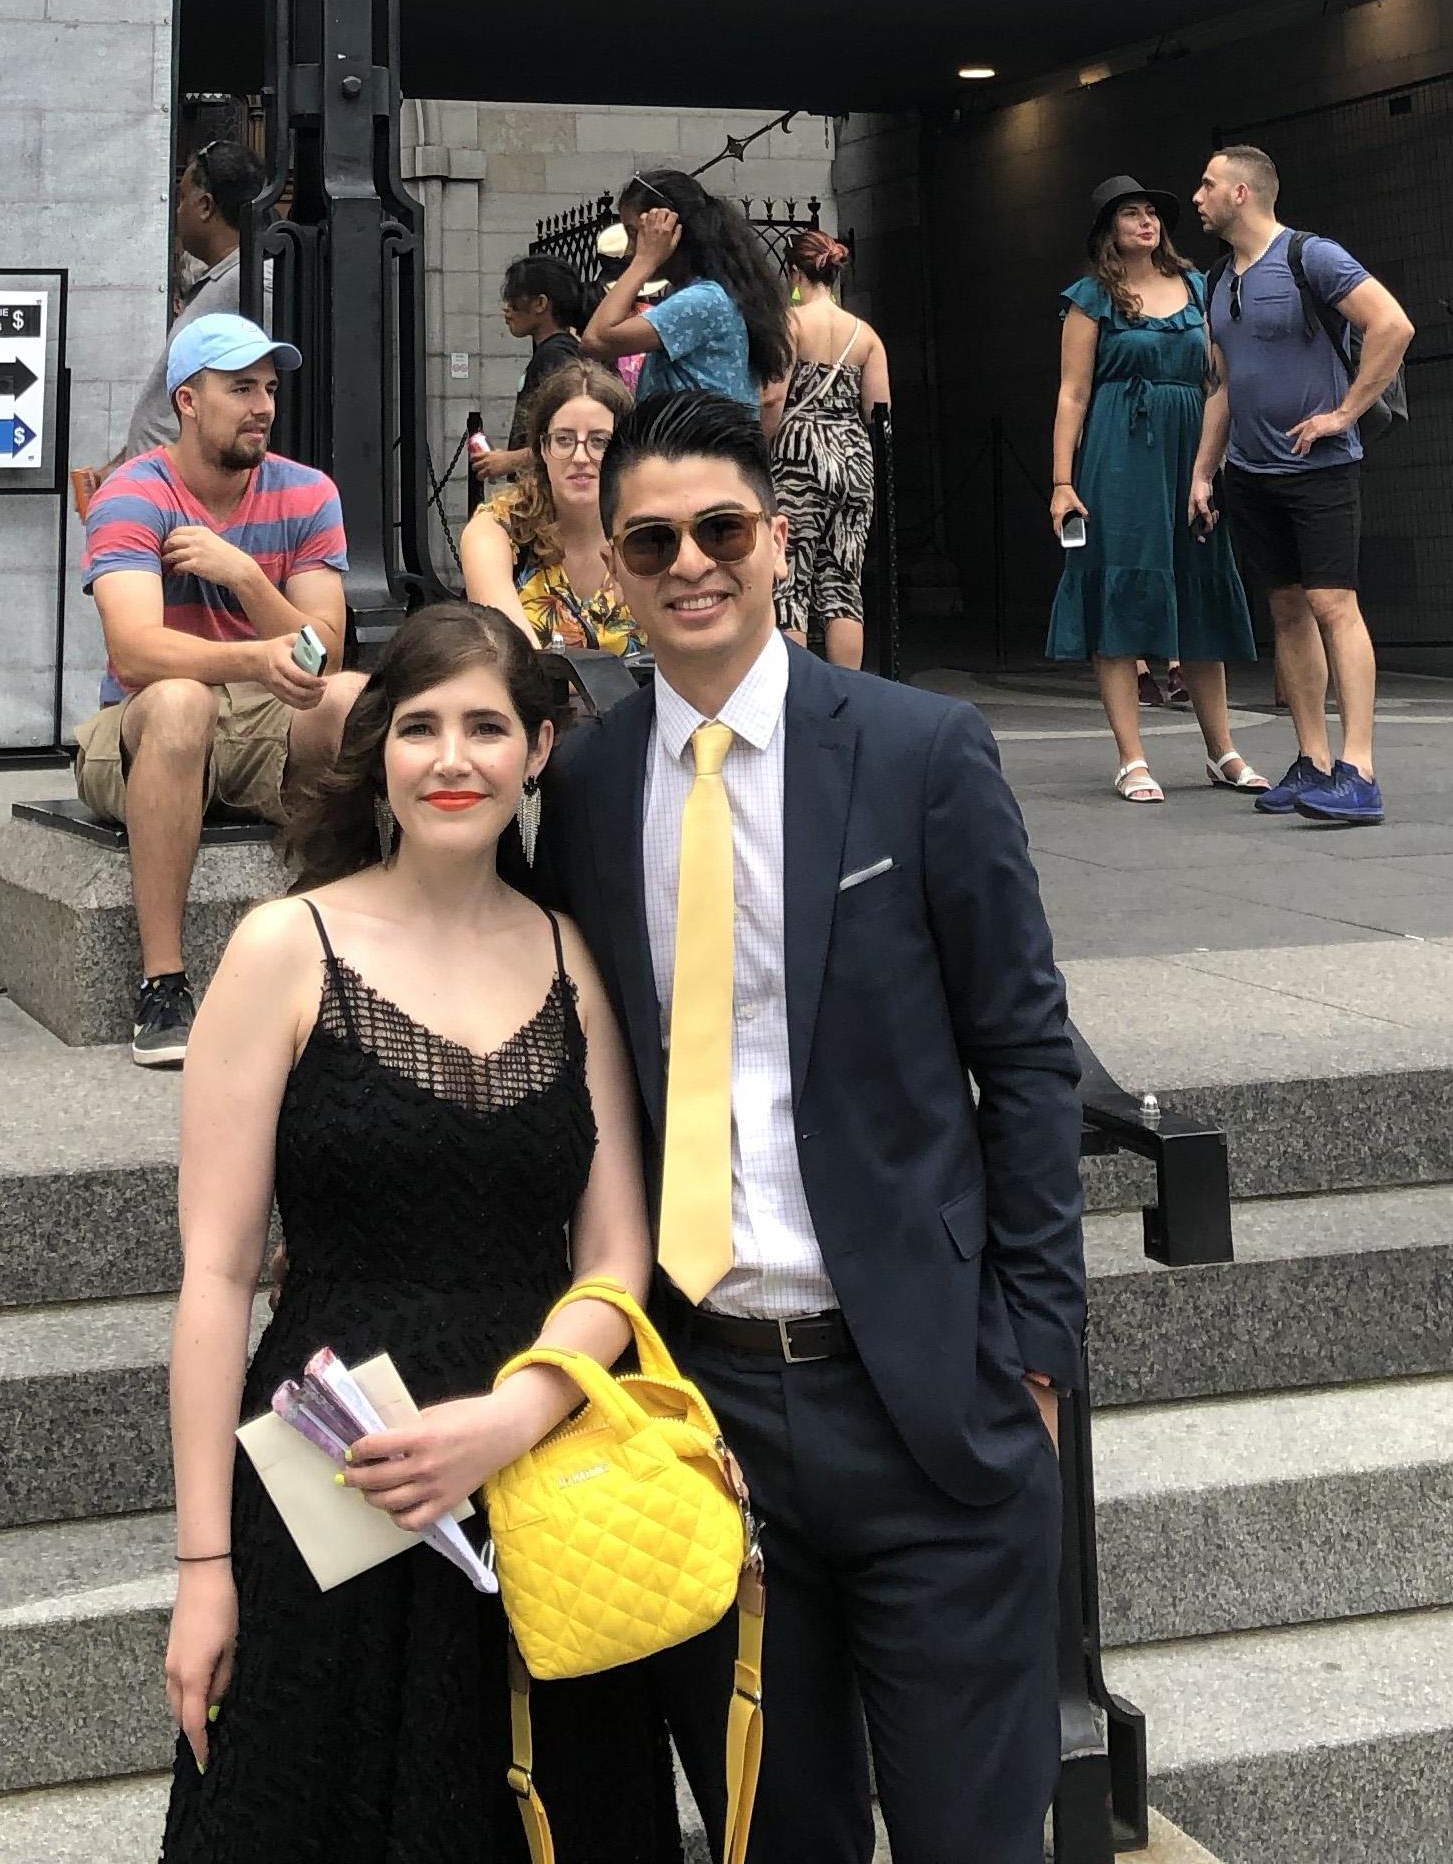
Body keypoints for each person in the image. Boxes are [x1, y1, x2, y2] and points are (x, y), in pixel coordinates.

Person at [534, 385, 1083, 1864]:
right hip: (708, 1411)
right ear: (613, 563)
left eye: (720, 528)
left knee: (976, 1838)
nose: (688, 563)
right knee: (778, 1839)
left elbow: (1028, 1060)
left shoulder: (921, 751)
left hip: (921, 1400)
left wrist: (1034, 1350)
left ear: (780, 539)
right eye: (651, 541)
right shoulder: (586, 785)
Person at [158, 599, 677, 1863]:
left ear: (538, 751)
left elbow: (617, 1255)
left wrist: (514, 1416)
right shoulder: (285, 949)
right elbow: (218, 1276)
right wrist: (202, 1565)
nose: (454, 760)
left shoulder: (571, 956)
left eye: (488, 728)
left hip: (539, 1486)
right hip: (330, 1475)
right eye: (423, 726)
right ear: (378, 748)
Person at [78, 316, 359, 1064]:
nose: (262, 404)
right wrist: (257, 659)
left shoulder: (306, 493)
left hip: (263, 719)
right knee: (180, 702)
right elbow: (135, 653)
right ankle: (163, 986)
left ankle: (365, 955)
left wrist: (240, 574)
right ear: (189, 400)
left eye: (269, 387)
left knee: (358, 703)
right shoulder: (135, 494)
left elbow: (320, 653)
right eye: (240, 388)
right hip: (144, 728)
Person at [1186, 144, 1416, 826]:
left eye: (1207, 184)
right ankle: (1313, 760)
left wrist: (1344, 413)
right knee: (1286, 609)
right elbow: (1226, 385)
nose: (1196, 196)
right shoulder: (1219, 279)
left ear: (1242, 194)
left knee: (1333, 603)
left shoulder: (1311, 257)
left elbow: (1392, 325)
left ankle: (1360, 769)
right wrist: (1204, 470)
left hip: (1320, 467)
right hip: (1251, 473)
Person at [1046, 177, 1268, 801]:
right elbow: (1072, 393)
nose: (1146, 222)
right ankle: (1131, 756)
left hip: (1191, 454)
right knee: (1121, 586)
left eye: (1152, 213)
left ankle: (1221, 749)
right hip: (1118, 456)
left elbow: (1223, 379)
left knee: (1199, 586)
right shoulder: (1091, 298)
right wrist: (1063, 481)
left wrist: (1217, 460)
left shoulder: (1202, 289)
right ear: (1108, 230)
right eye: (1130, 214)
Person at [458, 353, 638, 701]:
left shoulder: (649, 529)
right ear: (542, 447)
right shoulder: (498, 528)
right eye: (565, 440)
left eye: (600, 441)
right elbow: (518, 660)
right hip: (536, 721)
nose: (581, 456)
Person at [766, 228, 886, 667]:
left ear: (794, 272)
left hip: (798, 453)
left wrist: (764, 443)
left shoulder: (789, 323)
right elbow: (879, 412)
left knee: (791, 577)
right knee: (842, 580)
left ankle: (795, 692)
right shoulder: (867, 336)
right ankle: (847, 694)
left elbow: (772, 397)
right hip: (854, 457)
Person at [583, 168, 789, 408]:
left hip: (699, 442)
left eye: (635, 234)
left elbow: (595, 340)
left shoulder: (702, 300)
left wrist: (644, 261)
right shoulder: (706, 293)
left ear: (671, 232)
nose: (629, 250)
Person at [120, 137, 272, 459]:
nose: (177, 212)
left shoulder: (254, 282)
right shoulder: (222, 281)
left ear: (205, 207)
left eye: (181, 199)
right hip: (158, 484)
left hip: (185, 495)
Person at [498, 246, 602, 420]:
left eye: (513, 298)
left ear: (540, 303)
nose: (506, 307)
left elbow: (560, 431)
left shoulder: (553, 356)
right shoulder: (560, 350)